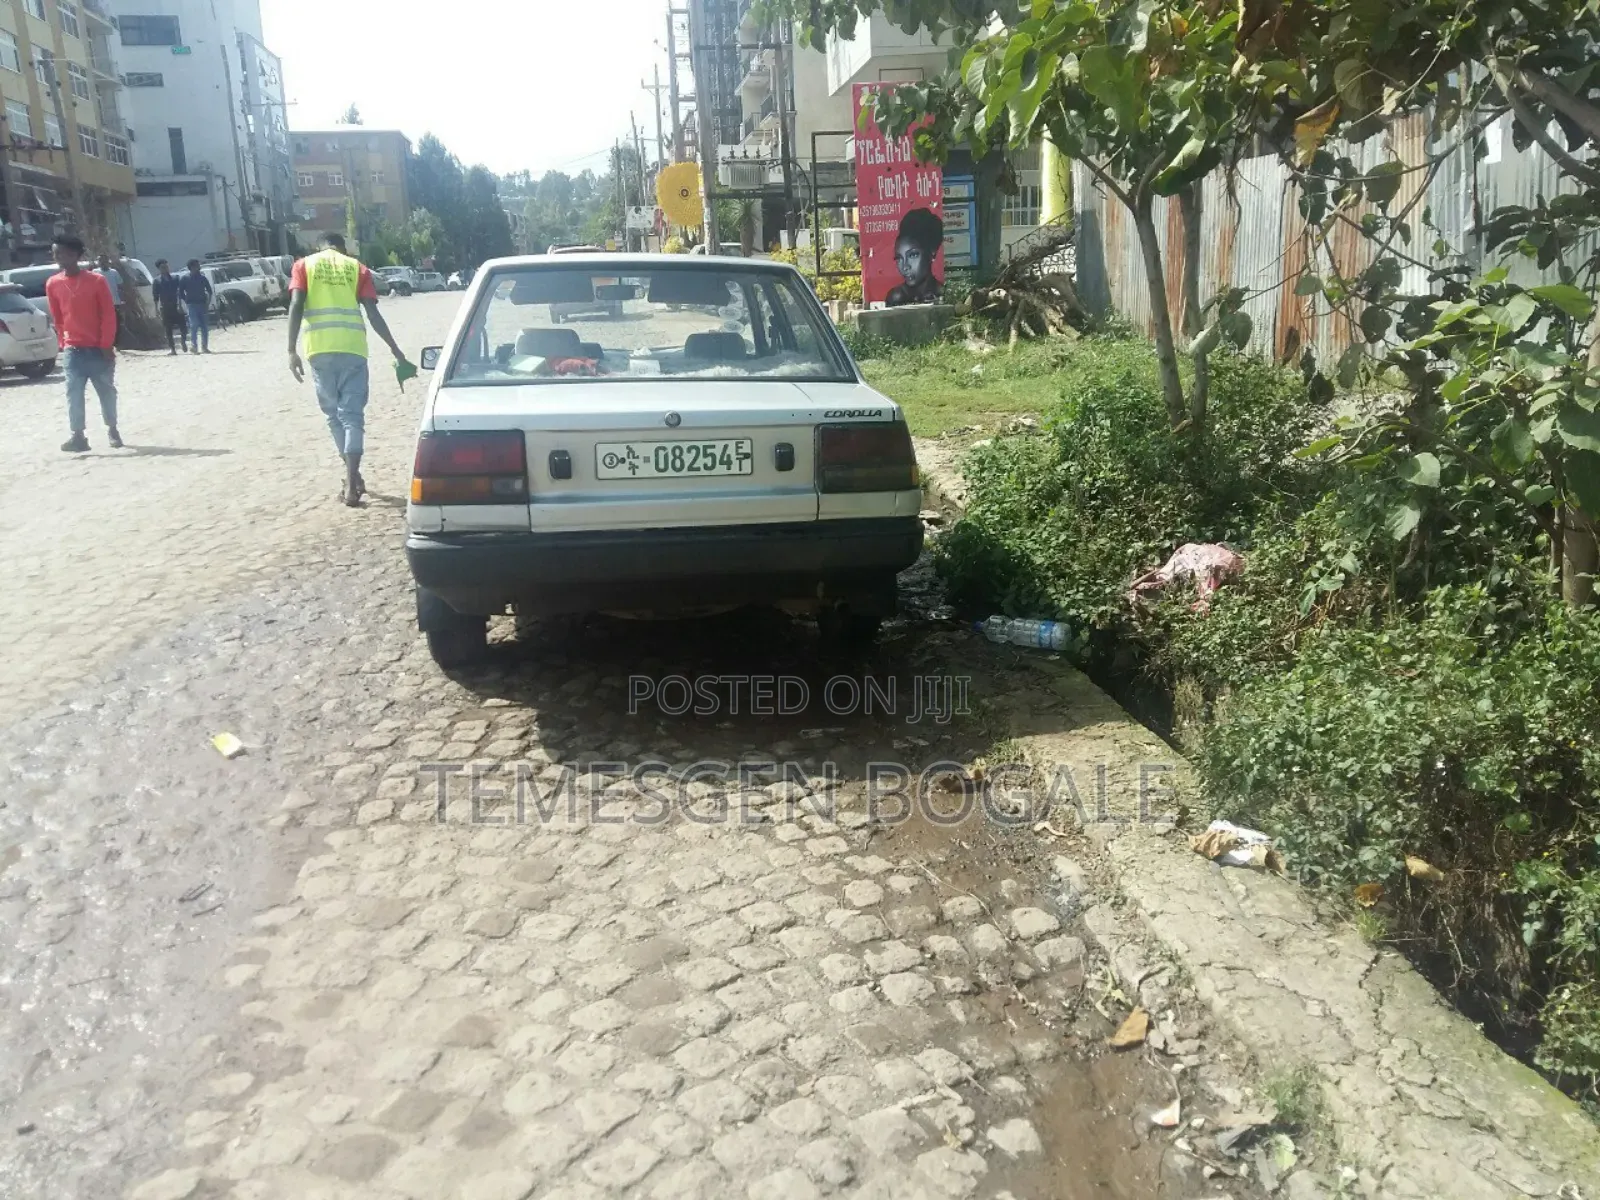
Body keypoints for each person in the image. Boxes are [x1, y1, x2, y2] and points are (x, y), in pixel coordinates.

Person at [286, 231, 412, 507]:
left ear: (317, 246)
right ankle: (352, 480)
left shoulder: (303, 265)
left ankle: (351, 479)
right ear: (342, 248)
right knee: (352, 417)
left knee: (333, 417)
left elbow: (296, 305)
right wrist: (395, 349)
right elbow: (373, 314)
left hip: (318, 349)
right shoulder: (358, 268)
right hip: (353, 349)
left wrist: (291, 350)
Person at [46, 234, 120, 453]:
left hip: (98, 349)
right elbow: (57, 317)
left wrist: (106, 344)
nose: (58, 257)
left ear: (76, 255)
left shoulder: (97, 281)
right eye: (55, 253)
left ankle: (113, 429)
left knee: (106, 391)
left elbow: (108, 314)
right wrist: (63, 343)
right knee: (73, 393)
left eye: (63, 253)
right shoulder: (53, 283)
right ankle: (78, 436)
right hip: (73, 350)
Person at [884, 207, 944, 307]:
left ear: (932, 252)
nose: (905, 267)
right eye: (899, 258)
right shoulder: (896, 297)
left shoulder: (942, 293)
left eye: (912, 255)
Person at [151, 259, 187, 354]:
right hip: (166, 308)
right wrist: (156, 309)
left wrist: (180, 304)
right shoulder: (157, 281)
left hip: (177, 305)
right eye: (163, 267)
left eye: (167, 266)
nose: (166, 269)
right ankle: (173, 349)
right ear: (159, 269)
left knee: (183, 327)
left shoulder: (176, 278)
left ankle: (183, 342)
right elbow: (155, 296)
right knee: (168, 329)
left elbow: (180, 292)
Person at [179, 260, 213, 353]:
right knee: (194, 325)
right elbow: (180, 292)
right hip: (191, 305)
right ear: (192, 267)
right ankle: (194, 346)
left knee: (204, 326)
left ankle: (204, 346)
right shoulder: (185, 279)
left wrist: (208, 303)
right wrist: (185, 301)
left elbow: (210, 291)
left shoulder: (202, 278)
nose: (199, 267)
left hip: (202, 304)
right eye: (197, 265)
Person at [97, 254, 124, 342]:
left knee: (116, 323)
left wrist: (122, 299)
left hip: (115, 302)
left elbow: (120, 286)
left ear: (108, 262)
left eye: (104, 260)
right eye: (100, 261)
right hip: (100, 303)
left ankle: (116, 342)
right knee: (102, 323)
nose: (103, 263)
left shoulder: (114, 272)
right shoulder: (95, 272)